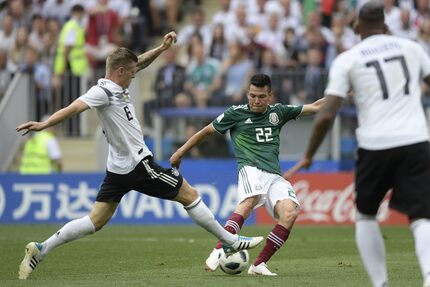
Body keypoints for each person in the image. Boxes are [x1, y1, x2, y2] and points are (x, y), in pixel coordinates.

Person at [16, 31, 263, 280]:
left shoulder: (116, 82)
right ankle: (230, 240)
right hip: (137, 164)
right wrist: (43, 124)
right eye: (131, 73)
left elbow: (138, 62)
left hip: (117, 168)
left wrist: (161, 49)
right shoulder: (102, 92)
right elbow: (74, 108)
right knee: (190, 195)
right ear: (120, 71)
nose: (134, 76)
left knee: (95, 220)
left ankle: (41, 249)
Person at [285, 2, 430, 287]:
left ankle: (380, 284)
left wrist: (309, 154)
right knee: (422, 216)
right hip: (415, 141)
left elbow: (327, 113)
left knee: (365, 215)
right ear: (386, 26)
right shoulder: (412, 49)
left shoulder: (347, 59)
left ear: (356, 28)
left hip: (374, 145)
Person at [170, 73, 325, 276]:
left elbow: (315, 107)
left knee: (290, 213)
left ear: (270, 96)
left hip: (274, 175)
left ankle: (258, 265)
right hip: (250, 167)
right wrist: (180, 152)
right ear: (247, 93)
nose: (256, 101)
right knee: (250, 200)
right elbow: (207, 131)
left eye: (261, 96)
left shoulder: (279, 112)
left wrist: (341, 94)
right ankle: (219, 249)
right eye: (252, 96)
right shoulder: (235, 113)